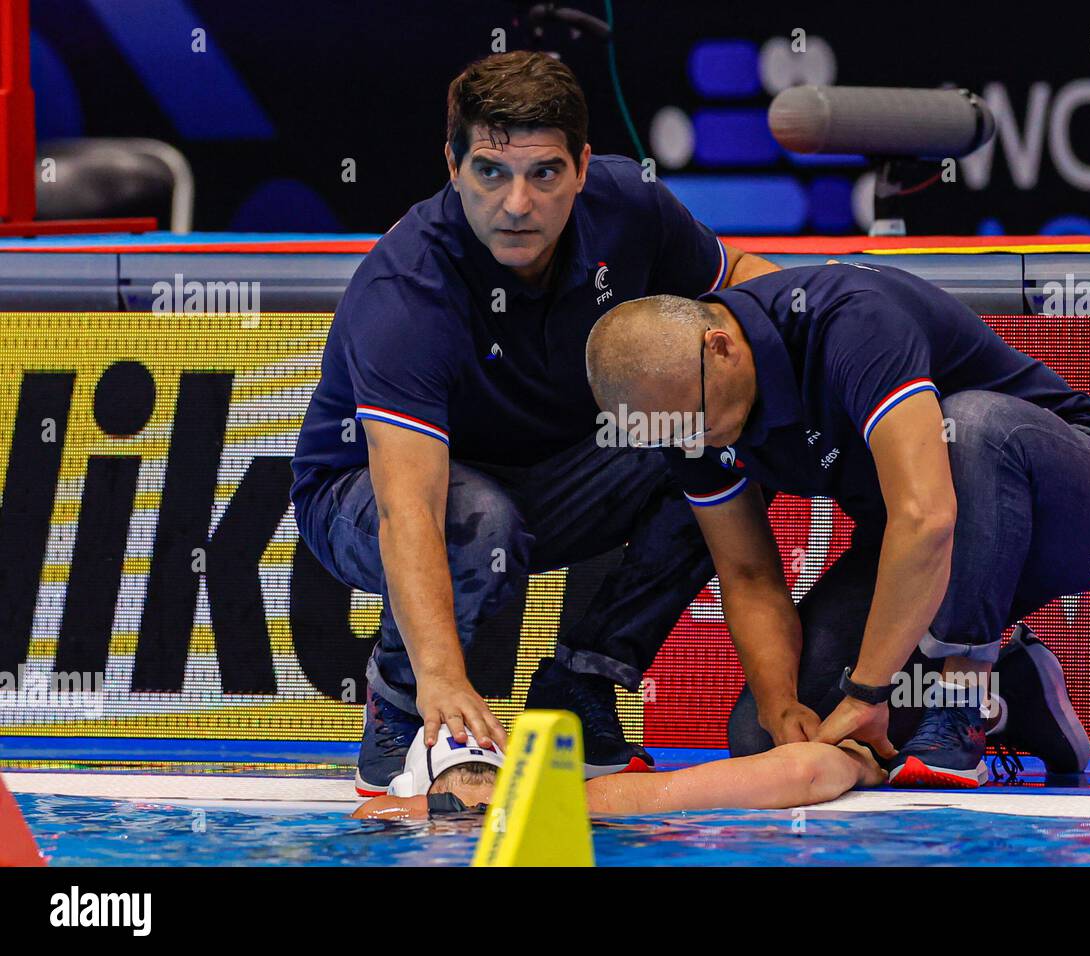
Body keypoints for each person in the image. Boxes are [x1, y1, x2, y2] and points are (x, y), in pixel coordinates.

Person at [291, 51, 779, 793]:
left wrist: (825, 334)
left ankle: (582, 682)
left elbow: (742, 279)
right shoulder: (407, 289)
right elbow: (408, 510)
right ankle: (400, 716)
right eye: (491, 171)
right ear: (451, 167)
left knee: (723, 425)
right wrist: (443, 681)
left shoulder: (629, 206)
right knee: (475, 518)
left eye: (544, 173)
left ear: (583, 167)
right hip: (365, 498)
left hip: (557, 475)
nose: (517, 202)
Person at [584, 263, 1090, 788]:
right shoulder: (683, 410)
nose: (693, 443)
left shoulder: (852, 320)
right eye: (671, 436)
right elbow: (749, 574)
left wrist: (868, 691)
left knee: (971, 425)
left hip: (1081, 504)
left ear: (721, 348)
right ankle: (1012, 684)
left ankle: (963, 691)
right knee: (759, 739)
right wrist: (782, 708)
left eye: (696, 422)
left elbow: (926, 517)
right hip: (930, 553)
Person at [352, 724, 885, 820]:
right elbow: (804, 774)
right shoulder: (592, 802)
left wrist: (454, 814)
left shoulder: (395, 816)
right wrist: (860, 763)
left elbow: (371, 813)